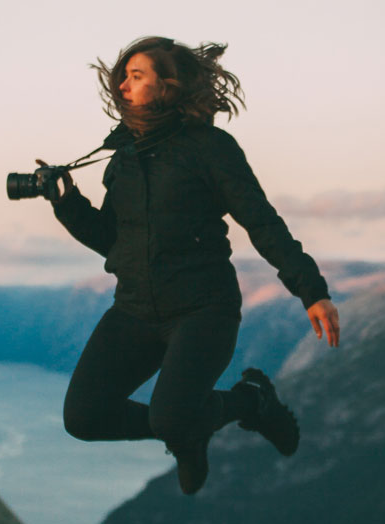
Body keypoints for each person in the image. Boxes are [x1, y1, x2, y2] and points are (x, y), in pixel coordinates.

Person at [41, 37, 340, 495]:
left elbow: (260, 221)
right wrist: (68, 204)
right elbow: (114, 243)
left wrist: (311, 289)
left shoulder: (211, 148)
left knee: (170, 416)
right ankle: (186, 431)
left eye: (136, 76)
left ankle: (250, 402)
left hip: (203, 310)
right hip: (135, 310)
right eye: (122, 76)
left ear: (168, 86)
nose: (122, 85)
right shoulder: (122, 157)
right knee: (83, 418)